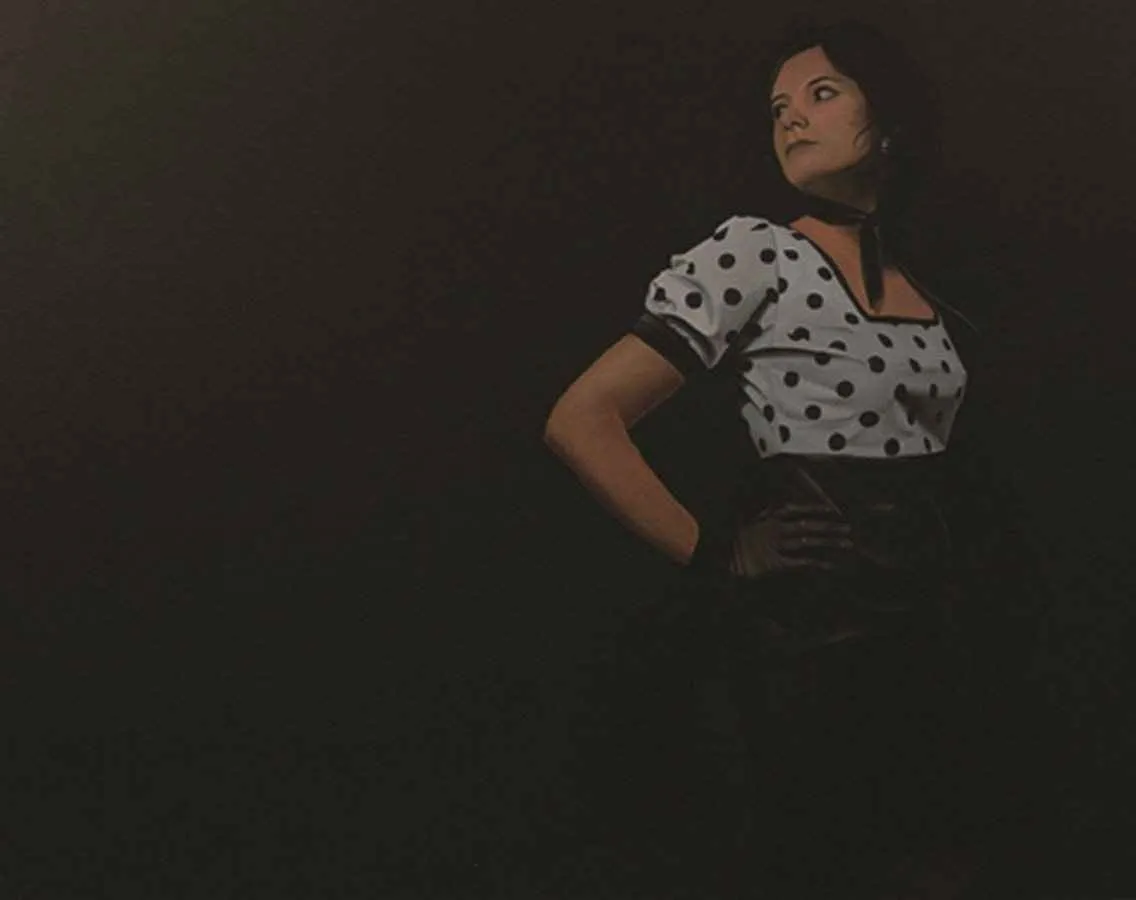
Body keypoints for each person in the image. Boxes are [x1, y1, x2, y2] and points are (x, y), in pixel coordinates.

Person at [543, 17, 1037, 900]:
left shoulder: (931, 281)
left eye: (821, 93)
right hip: (810, 637)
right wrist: (714, 554)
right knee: (816, 861)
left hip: (933, 633)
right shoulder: (756, 251)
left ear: (887, 119)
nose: (792, 119)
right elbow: (583, 419)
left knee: (939, 863)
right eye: (778, 108)